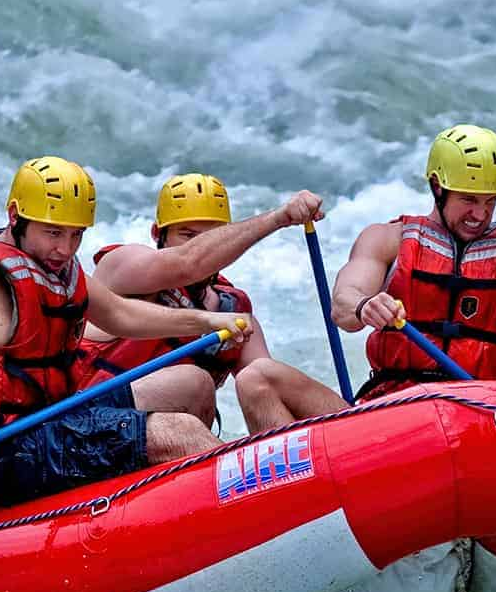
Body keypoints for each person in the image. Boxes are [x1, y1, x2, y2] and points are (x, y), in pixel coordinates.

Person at [0, 157, 251, 507]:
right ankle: (247, 511)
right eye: (53, 233)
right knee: (179, 432)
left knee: (191, 383)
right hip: (5, 452)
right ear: (15, 216)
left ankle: (179, 511)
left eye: (75, 234)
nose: (65, 249)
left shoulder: (56, 268)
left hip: (52, 418)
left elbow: (121, 314)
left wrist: (205, 322)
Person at [76, 173, 325, 429]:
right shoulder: (122, 266)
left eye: (215, 236)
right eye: (188, 235)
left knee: (261, 374)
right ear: (157, 233)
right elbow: (187, 263)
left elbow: (264, 386)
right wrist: (278, 218)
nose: (206, 246)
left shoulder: (232, 309)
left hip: (181, 444)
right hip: (90, 426)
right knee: (194, 381)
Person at [334, 123, 496, 398]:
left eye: (490, 202)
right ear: (436, 187)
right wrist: (365, 306)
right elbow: (343, 305)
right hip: (398, 403)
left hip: (485, 408)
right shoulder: (385, 240)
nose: (480, 214)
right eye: (469, 199)